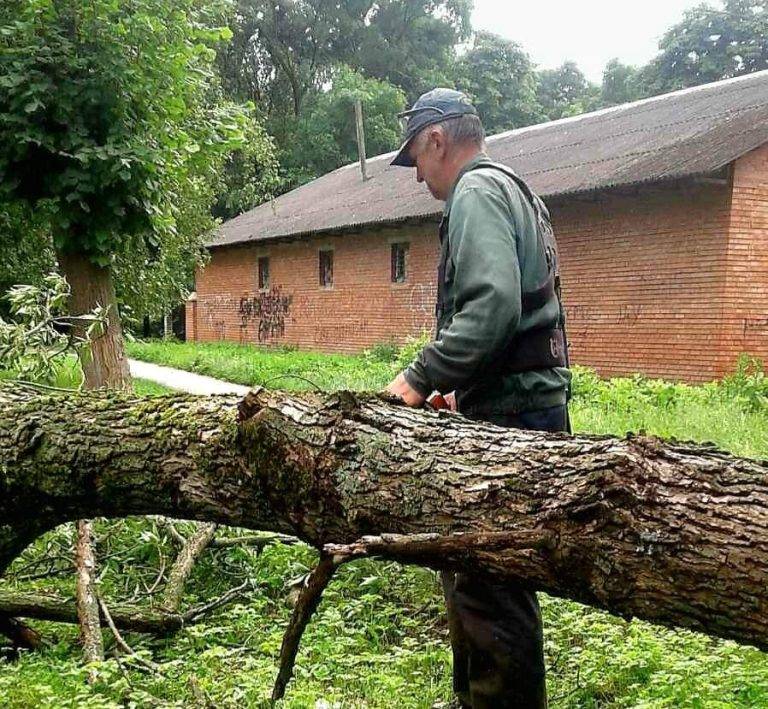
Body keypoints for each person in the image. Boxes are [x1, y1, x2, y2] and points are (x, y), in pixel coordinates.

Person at [385, 88, 571, 709]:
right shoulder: (512, 188)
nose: (418, 176)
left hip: (517, 416)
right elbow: (511, 317)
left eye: (414, 158)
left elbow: (491, 308)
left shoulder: (477, 192)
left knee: (492, 583)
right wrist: (462, 389)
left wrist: (421, 376)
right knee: (472, 570)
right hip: (515, 405)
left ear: (437, 140)